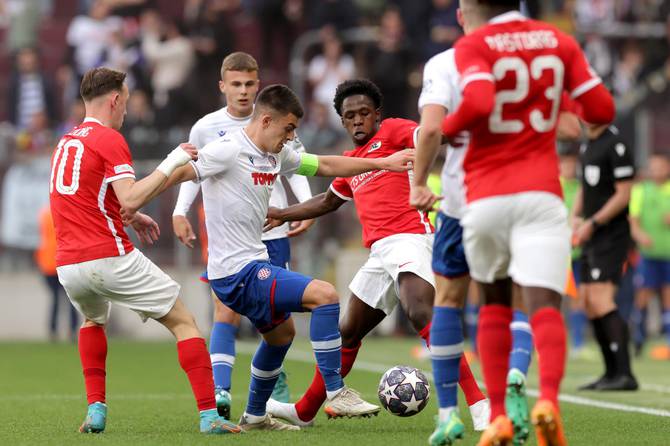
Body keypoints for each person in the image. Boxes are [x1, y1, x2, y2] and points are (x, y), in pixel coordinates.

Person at [410, 1, 616, 445]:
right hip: (542, 194)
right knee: (541, 303)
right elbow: (600, 110)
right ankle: (548, 404)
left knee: (488, 304)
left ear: (472, 9)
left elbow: (477, 103)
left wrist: (451, 131)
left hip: (476, 198)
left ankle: (492, 413)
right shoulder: (557, 41)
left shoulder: (467, 49)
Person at [163, 83, 414, 431]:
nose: (292, 136)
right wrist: (135, 202)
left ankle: (254, 417)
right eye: (289, 128)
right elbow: (181, 173)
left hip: (254, 264)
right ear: (267, 120)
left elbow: (326, 164)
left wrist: (384, 162)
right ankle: (336, 391)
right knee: (324, 296)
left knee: (281, 338)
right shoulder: (226, 149)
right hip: (235, 272)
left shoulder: (275, 154)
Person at [262, 79, 490, 430]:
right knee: (348, 331)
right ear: (342, 121)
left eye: (364, 113)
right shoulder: (353, 163)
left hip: (410, 239)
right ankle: (305, 411)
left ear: (377, 115)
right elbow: (327, 201)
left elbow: (430, 136)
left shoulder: (396, 132)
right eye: (350, 116)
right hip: (379, 253)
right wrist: (282, 213)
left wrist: (461, 124)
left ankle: (479, 405)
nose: (357, 121)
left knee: (419, 311)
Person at [50, 67, 241, 436]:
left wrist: (131, 216)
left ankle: (96, 411)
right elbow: (131, 193)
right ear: (116, 99)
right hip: (108, 256)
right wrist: (173, 161)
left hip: (69, 266)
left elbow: (87, 199)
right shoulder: (108, 139)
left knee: (93, 321)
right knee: (185, 323)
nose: (127, 111)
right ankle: (209, 416)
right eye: (126, 101)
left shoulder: (67, 140)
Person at [171, 52, 314, 419]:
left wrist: (307, 205)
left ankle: (274, 394)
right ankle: (221, 389)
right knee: (226, 309)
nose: (244, 91)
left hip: (272, 228)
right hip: (229, 234)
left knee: (277, 318)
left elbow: (295, 164)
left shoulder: (273, 118)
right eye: (236, 84)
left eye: (250, 83)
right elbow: (195, 170)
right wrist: (179, 211)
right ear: (223, 86)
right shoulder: (207, 127)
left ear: (258, 84)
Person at [572, 122, 638, 391]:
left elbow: (624, 195)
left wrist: (593, 223)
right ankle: (610, 372)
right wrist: (576, 216)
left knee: (601, 300)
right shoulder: (588, 144)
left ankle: (624, 373)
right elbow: (584, 187)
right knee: (588, 301)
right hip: (592, 234)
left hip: (611, 234)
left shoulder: (617, 144)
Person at [630, 153, 670, 357]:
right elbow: (633, 221)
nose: (656, 170)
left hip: (668, 254)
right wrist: (640, 235)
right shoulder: (640, 190)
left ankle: (668, 342)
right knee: (643, 296)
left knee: (667, 296)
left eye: (660, 166)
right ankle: (638, 339)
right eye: (653, 166)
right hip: (648, 254)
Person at [35, 206, 78, 342]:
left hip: (48, 262)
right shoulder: (68, 213)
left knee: (55, 299)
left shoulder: (44, 214)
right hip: (66, 261)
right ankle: (72, 330)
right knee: (72, 299)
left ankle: (53, 331)